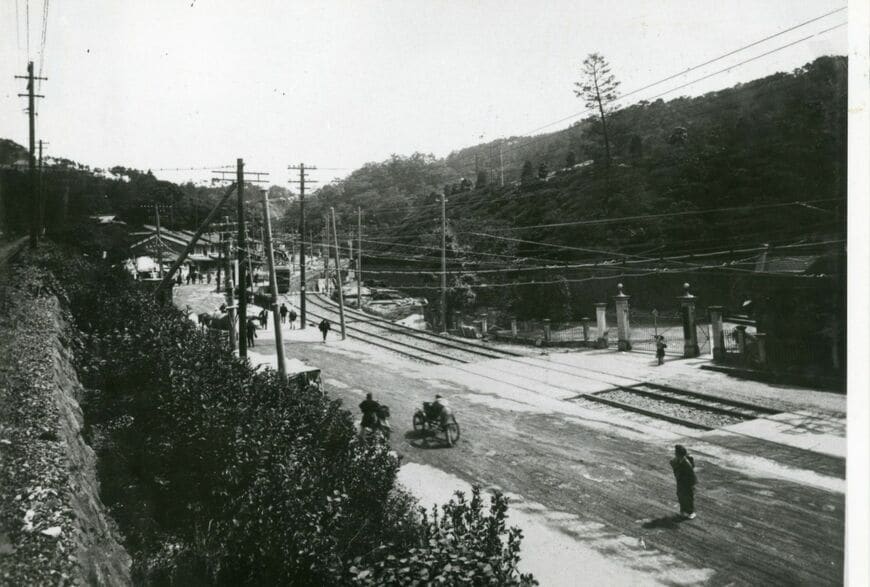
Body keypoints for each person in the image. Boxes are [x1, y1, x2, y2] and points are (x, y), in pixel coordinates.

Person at [670, 445, 698, 519]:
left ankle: (691, 512)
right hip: (680, 481)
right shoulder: (677, 460)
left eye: (676, 453)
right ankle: (683, 510)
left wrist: (692, 485)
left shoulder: (686, 463)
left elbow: (691, 474)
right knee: (680, 495)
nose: (675, 454)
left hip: (687, 482)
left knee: (688, 496)